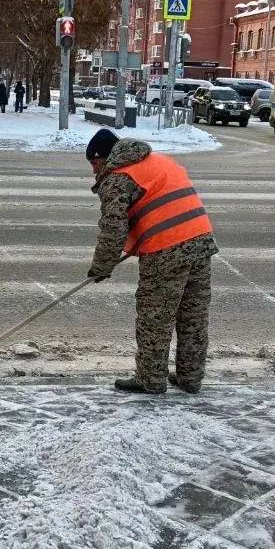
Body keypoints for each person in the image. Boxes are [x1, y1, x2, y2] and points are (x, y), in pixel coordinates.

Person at [84, 128, 217, 395]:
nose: (95, 171)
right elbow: (161, 203)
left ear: (107, 158)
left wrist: (101, 267)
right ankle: (190, 378)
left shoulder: (118, 177)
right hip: (201, 241)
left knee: (154, 318)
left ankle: (150, 379)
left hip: (166, 250)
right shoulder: (159, 161)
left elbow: (113, 230)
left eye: (95, 164)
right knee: (192, 316)